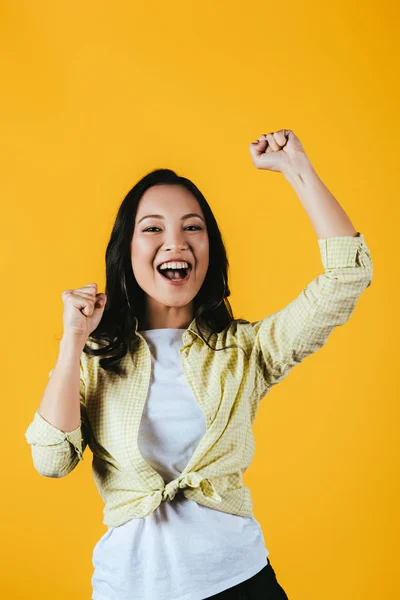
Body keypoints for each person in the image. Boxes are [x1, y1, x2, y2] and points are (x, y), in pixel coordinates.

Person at [25, 130, 373, 600]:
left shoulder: (248, 350)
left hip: (239, 583)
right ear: (127, 251)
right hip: (127, 587)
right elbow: (51, 459)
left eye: (193, 227)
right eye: (153, 228)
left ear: (210, 249)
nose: (176, 242)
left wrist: (298, 169)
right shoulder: (94, 360)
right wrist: (73, 340)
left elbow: (347, 276)